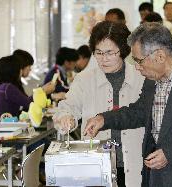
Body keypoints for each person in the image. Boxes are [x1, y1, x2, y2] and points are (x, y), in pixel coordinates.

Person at [84, 22, 172, 187]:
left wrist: (169, 154)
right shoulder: (152, 80)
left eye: (139, 60)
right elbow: (139, 112)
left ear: (160, 56)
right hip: (155, 176)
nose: (137, 67)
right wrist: (103, 119)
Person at [53, 21, 145, 187]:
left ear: (123, 50)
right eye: (99, 53)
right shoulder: (84, 80)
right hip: (95, 166)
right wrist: (66, 118)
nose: (104, 59)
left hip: (135, 163)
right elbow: (66, 108)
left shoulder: (141, 78)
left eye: (110, 53)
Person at [0, 55, 55, 122]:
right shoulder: (8, 88)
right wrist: (42, 91)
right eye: (20, 69)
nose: (21, 71)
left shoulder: (2, 87)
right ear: (14, 71)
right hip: (6, 125)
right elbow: (28, 103)